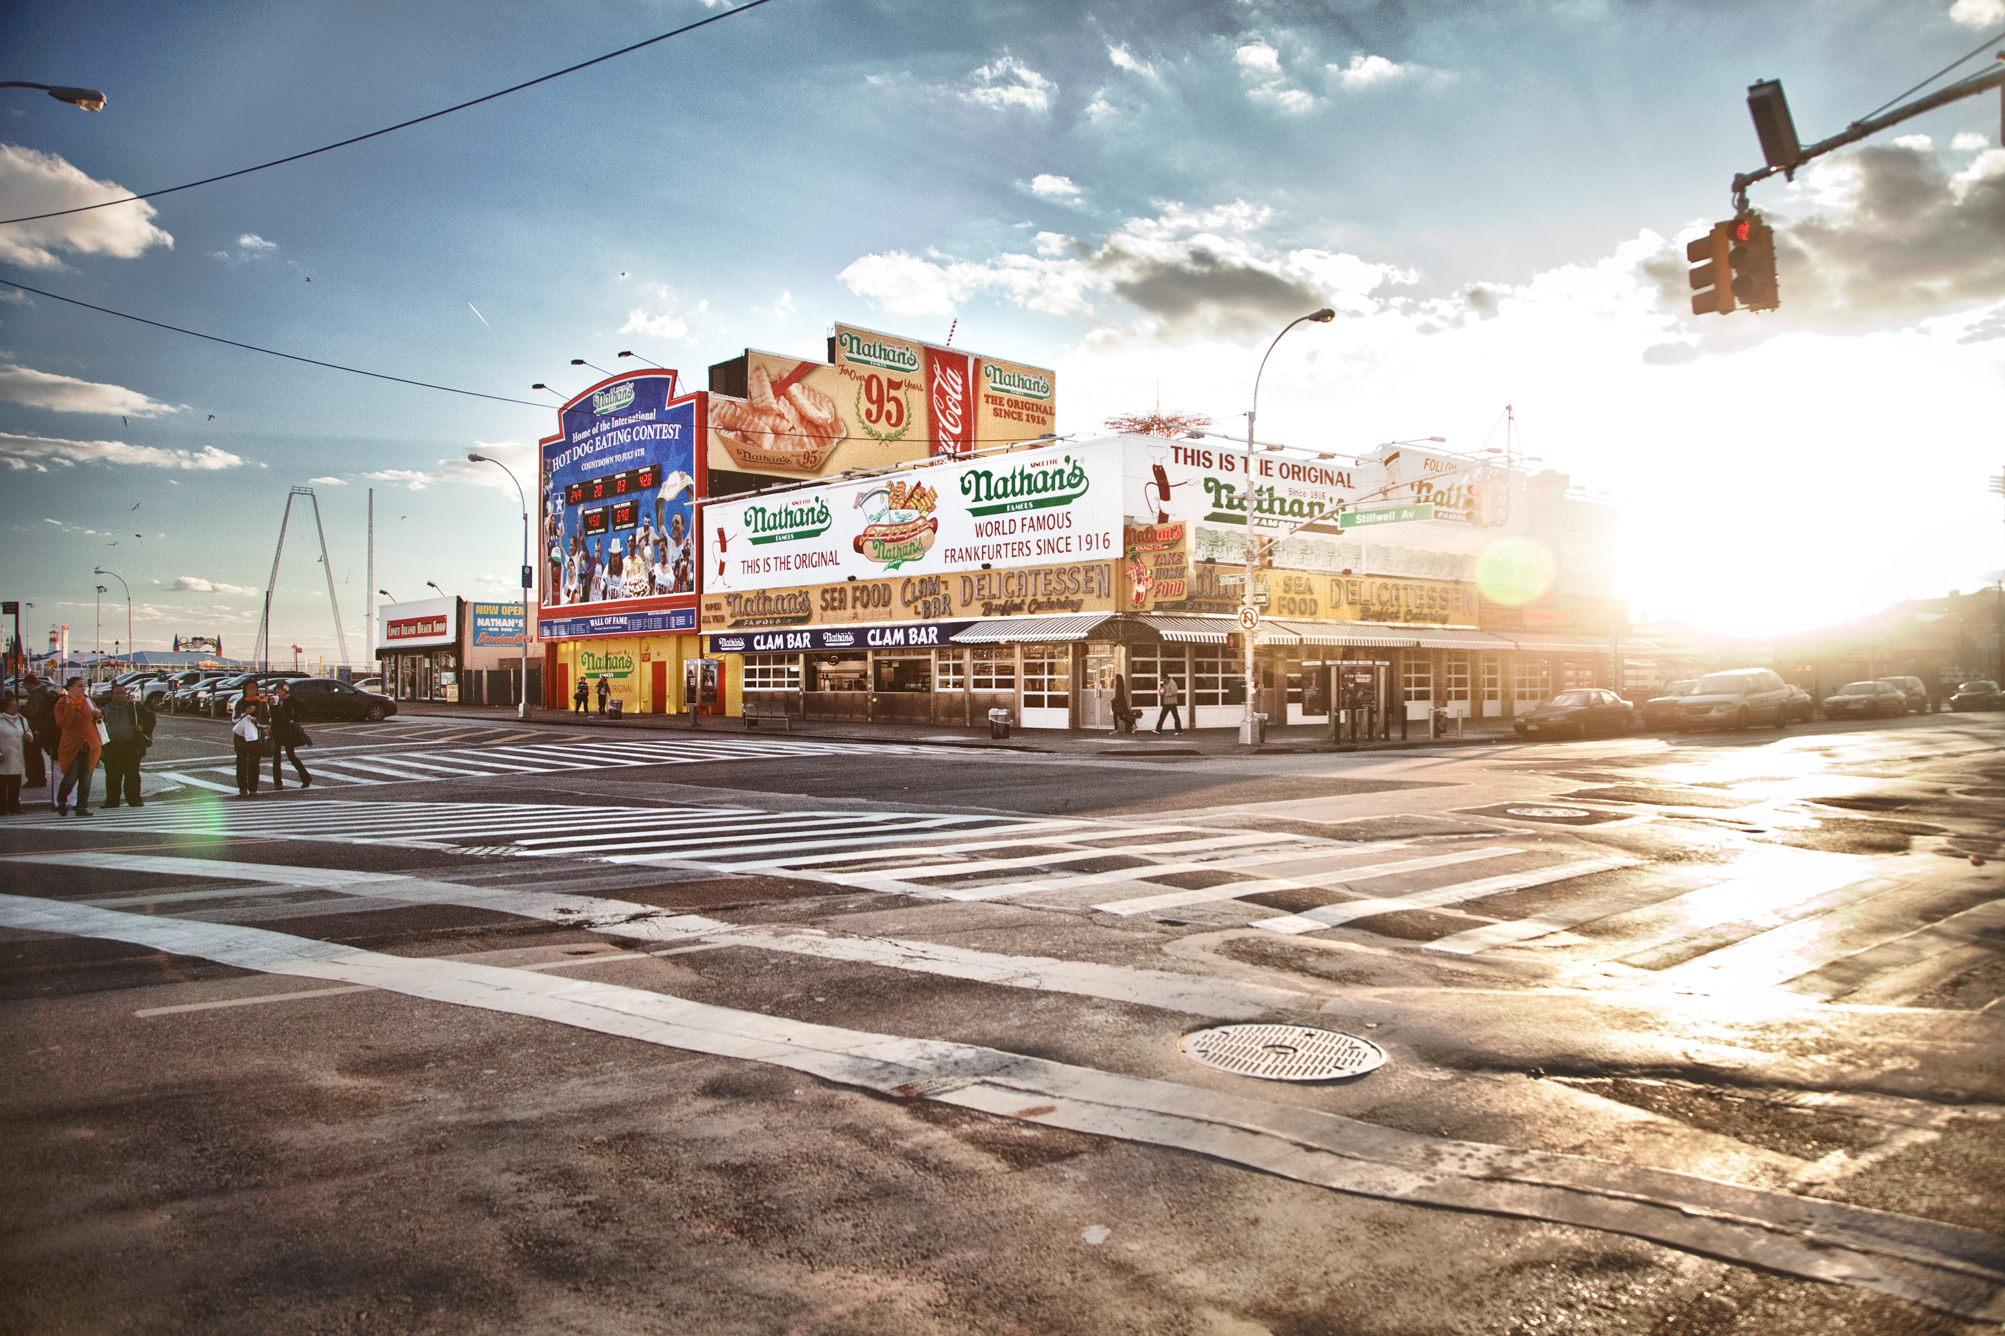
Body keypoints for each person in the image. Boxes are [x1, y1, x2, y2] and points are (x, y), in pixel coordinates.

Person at [99, 680, 155, 809]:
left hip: (131, 746)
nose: (120, 695)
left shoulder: (136, 708)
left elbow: (151, 717)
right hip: (112, 747)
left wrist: (143, 727)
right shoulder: (104, 710)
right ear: (112, 696)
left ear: (126, 694)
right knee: (113, 775)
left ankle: (134, 800)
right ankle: (112, 801)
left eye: (122, 693)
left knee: (132, 775)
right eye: (117, 693)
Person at [53, 676, 102, 815]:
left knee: (86, 777)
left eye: (84, 686)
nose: (83, 688)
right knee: (71, 776)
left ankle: (82, 807)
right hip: (72, 745)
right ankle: (61, 801)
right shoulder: (62, 703)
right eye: (80, 686)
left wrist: (99, 715)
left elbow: (96, 719)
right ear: (70, 687)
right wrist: (70, 705)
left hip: (89, 743)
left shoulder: (88, 701)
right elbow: (64, 723)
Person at [268, 681, 312, 790]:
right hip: (276, 730)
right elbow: (273, 715)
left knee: (291, 755)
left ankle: (305, 777)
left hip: (287, 731)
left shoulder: (291, 700)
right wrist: (272, 705)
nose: (278, 691)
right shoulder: (274, 701)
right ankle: (277, 783)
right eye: (276, 689)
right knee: (276, 757)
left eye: (280, 689)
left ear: (285, 690)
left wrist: (293, 719)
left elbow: (300, 710)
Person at [21, 672, 56, 798]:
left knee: (31, 755)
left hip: (35, 729)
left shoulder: (36, 696)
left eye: (25, 685)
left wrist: (20, 710)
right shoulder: (43, 693)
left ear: (30, 684)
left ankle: (34, 779)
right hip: (42, 729)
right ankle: (40, 778)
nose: (25, 687)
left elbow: (32, 712)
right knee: (37, 756)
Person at [232, 682, 269, 797]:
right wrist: (245, 713)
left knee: (254, 762)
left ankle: (253, 787)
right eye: (250, 688)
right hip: (241, 738)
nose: (252, 690)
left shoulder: (261, 703)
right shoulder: (240, 702)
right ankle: (242, 787)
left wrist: (256, 720)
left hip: (255, 737)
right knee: (241, 762)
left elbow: (267, 720)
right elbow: (234, 719)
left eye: (254, 688)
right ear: (245, 690)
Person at [0, 691, 26, 814]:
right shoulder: (0, 720)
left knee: (15, 783)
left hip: (16, 755)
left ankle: (14, 806)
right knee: (2, 784)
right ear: (5, 707)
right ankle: (1, 808)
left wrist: (29, 736)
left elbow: (27, 730)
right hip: (4, 756)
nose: (16, 708)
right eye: (13, 705)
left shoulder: (21, 719)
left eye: (17, 705)